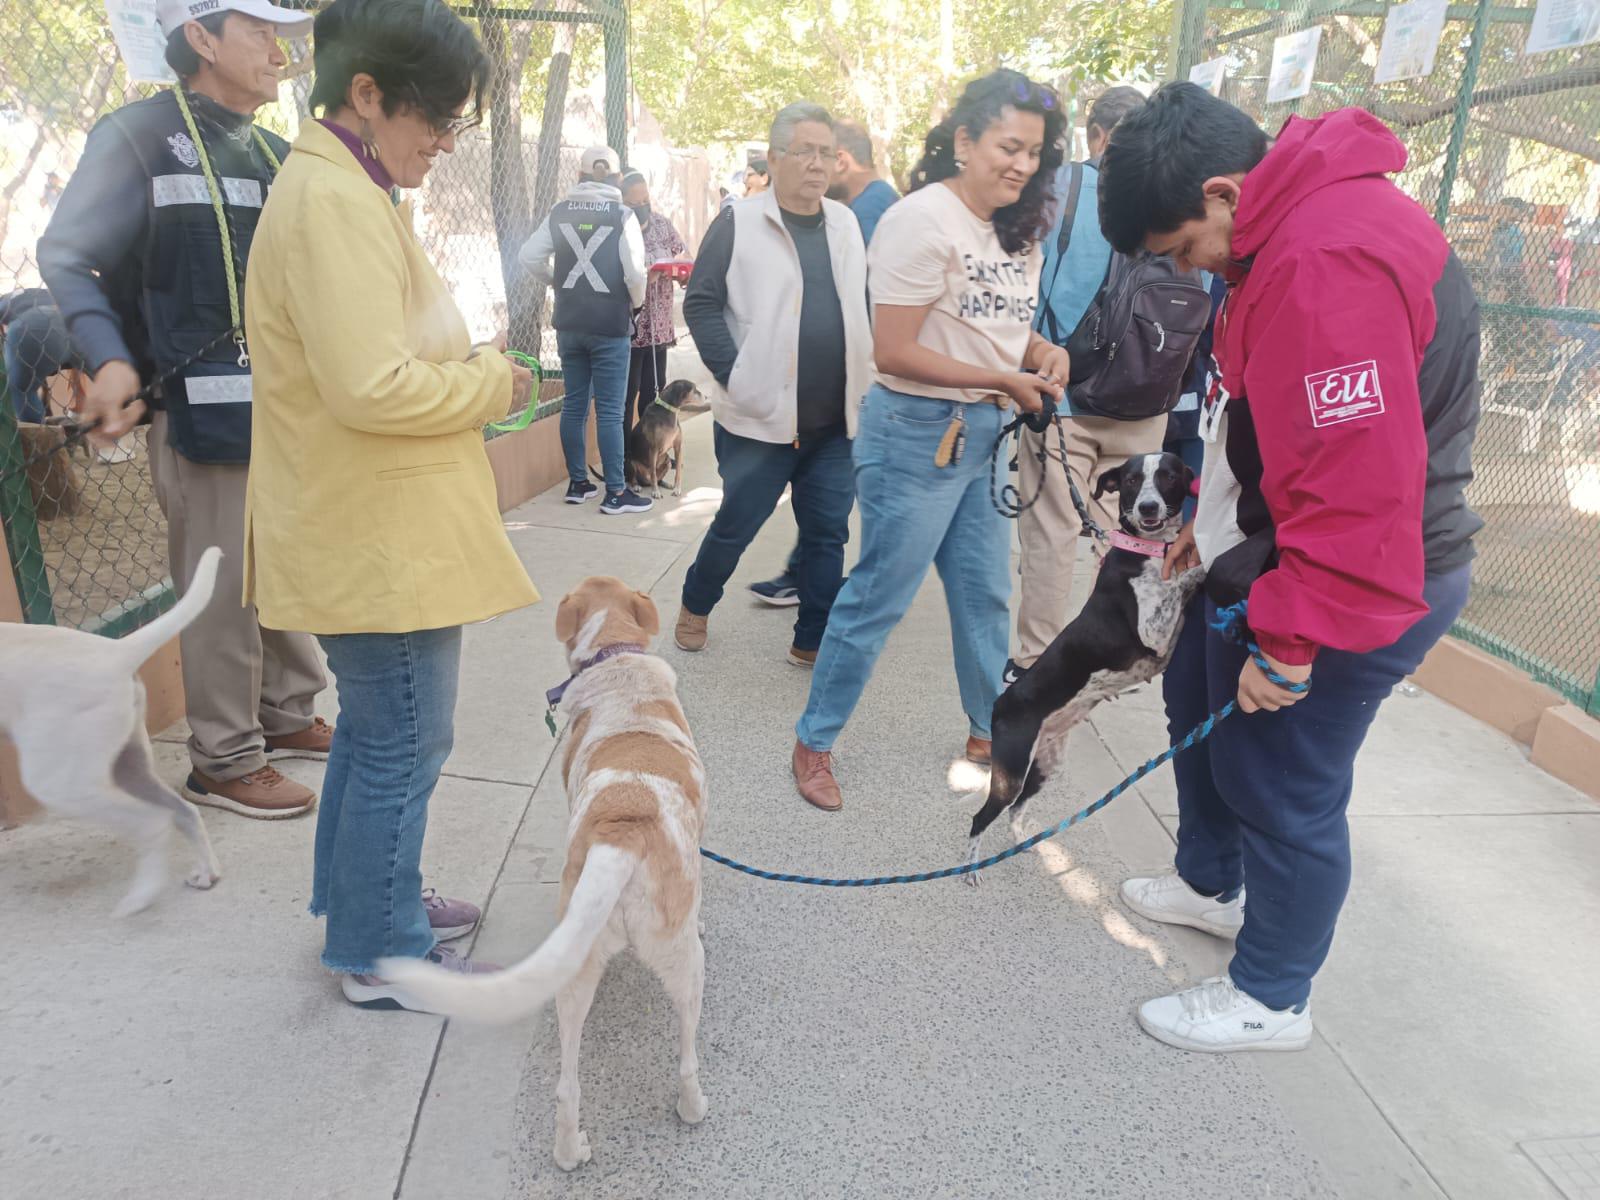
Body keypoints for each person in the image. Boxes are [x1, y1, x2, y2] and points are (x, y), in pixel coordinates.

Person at [1099, 84, 1481, 1052]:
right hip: (1272, 545)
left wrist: (1293, 639)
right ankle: (1208, 880)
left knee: (1281, 774)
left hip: (1360, 575)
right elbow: (1263, 416)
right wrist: (1208, 518)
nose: (1189, 272)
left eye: (1184, 250)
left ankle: (1272, 993)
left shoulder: (1323, 265)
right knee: (1196, 698)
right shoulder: (1281, 229)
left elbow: (1356, 491)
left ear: (1223, 194)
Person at [243, 0, 540, 1010]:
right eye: (436, 123)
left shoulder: (341, 190)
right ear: (365, 96)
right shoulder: (331, 204)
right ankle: (383, 953)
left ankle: (364, 904)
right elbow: (370, 387)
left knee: (378, 735)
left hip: (371, 529)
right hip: (377, 541)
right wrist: (488, 386)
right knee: (405, 740)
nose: (444, 147)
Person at [38, 0, 329, 820]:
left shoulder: (278, 150)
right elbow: (68, 254)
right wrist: (110, 357)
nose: (279, 48)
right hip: (197, 414)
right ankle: (224, 758)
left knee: (275, 568)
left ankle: (287, 714)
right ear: (198, 38)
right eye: (257, 30)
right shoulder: (133, 136)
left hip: (280, 413)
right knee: (222, 583)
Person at [791, 70, 1069, 812]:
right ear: (964, 141)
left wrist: (1037, 355)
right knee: (879, 596)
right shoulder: (921, 220)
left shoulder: (1019, 226)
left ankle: (990, 733)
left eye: (1034, 152)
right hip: (919, 432)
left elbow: (993, 327)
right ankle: (814, 743)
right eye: (1008, 146)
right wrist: (1006, 379)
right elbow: (895, 349)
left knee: (984, 595)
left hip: (984, 430)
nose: (1020, 164)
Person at [674, 102, 871, 667]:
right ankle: (696, 600)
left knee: (827, 533)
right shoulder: (740, 221)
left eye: (826, 153)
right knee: (737, 523)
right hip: (760, 416)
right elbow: (703, 302)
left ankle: (812, 638)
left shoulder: (845, 223)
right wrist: (735, 373)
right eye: (804, 151)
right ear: (776, 156)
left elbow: (858, 305)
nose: (818, 164)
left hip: (835, 420)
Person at [1010, 85, 1163, 686]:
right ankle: (1108, 652)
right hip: (1148, 402)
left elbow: (1022, 285)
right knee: (1123, 535)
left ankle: (1037, 666)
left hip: (1062, 393)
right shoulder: (1174, 195)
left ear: (1095, 135)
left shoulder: (1061, 187)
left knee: (1053, 535)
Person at [749, 117, 902, 607]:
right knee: (831, 498)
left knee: (838, 498)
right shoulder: (866, 205)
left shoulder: (869, 210)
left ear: (844, 160)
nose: (813, 167)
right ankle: (807, 573)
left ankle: (829, 583)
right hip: (856, 380)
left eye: (823, 156)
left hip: (866, 380)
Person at [520, 145, 651, 514]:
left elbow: (528, 256)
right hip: (609, 324)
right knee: (610, 410)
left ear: (579, 176)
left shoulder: (559, 212)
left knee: (575, 405)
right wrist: (636, 305)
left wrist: (555, 282)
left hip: (569, 322)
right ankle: (615, 493)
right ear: (617, 179)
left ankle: (578, 483)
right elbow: (635, 274)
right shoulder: (622, 215)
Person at [619, 170, 689, 431]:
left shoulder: (662, 225)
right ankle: (626, 460)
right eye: (633, 204)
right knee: (628, 395)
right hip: (632, 328)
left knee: (653, 395)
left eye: (645, 200)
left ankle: (650, 458)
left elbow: (681, 254)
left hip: (659, 329)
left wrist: (682, 274)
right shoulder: (620, 230)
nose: (641, 208)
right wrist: (647, 278)